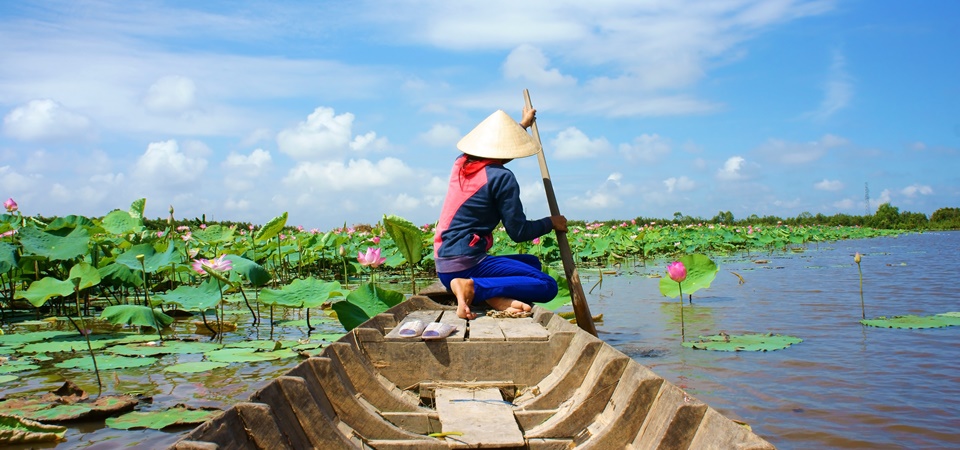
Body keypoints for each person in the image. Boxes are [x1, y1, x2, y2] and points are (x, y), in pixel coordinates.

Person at [433, 107, 567, 320]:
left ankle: (490, 294)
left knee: (531, 263)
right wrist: (551, 222)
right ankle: (474, 288)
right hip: (467, 264)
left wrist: (522, 125)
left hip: (444, 266)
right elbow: (519, 231)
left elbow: (497, 150)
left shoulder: (461, 163)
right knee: (547, 285)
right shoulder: (502, 178)